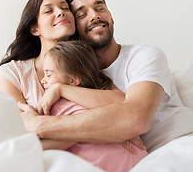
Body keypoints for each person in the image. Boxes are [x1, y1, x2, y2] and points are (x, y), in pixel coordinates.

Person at [18, 0, 187, 147]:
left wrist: (41, 124)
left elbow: (137, 118)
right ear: (74, 29)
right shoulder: (78, 75)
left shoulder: (145, 56)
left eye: (100, 8)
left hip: (178, 140)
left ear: (111, 17)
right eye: (82, 14)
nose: (94, 16)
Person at [0, 0, 129, 150]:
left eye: (65, 8)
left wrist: (60, 89)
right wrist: (93, 130)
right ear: (34, 29)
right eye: (49, 10)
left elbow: (123, 104)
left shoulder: (82, 60)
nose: (60, 12)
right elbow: (21, 134)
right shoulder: (12, 73)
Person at [40, 40, 148, 172]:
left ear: (73, 80)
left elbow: (124, 103)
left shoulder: (59, 102)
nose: (42, 80)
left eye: (49, 74)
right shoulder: (56, 100)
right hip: (137, 161)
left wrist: (59, 89)